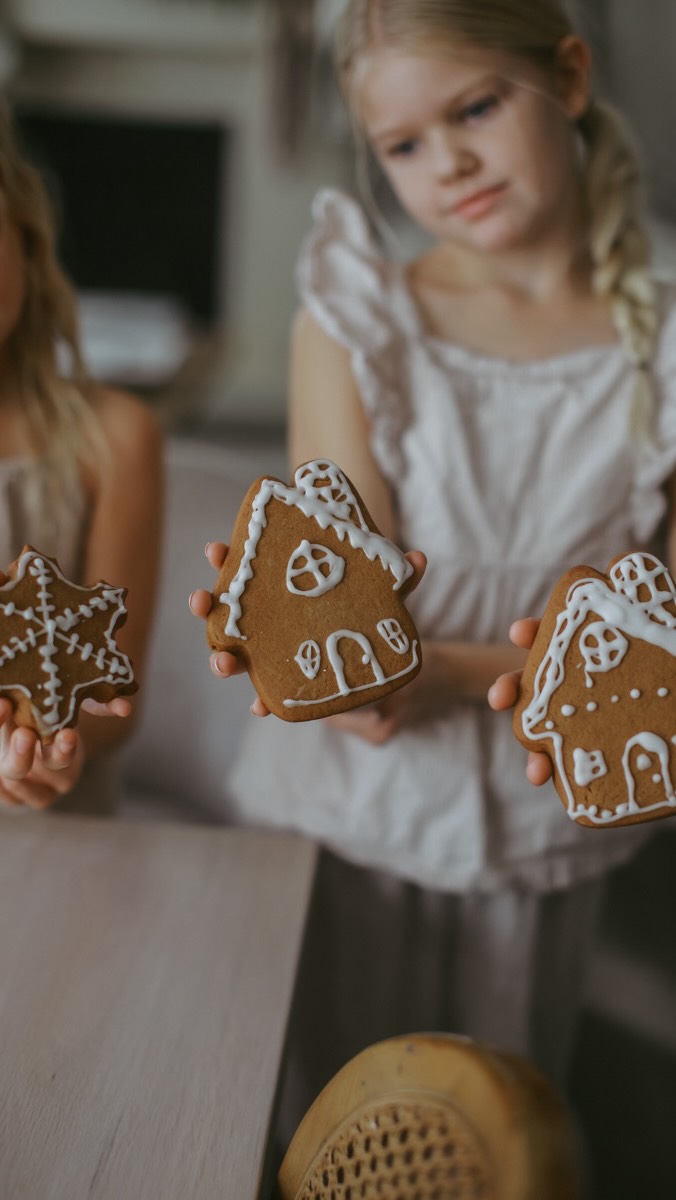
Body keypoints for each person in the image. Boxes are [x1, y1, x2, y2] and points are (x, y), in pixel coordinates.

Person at [190, 0, 676, 1125]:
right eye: (402, 144)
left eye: (474, 107)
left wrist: (455, 677)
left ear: (562, 76)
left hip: (547, 807)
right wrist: (313, 655)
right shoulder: (358, 323)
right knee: (344, 1118)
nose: (446, 159)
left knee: (501, 1119)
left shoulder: (658, 347)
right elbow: (345, 593)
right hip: (353, 811)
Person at [0, 100, 163, 813]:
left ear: (27, 244)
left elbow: (112, 691)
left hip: (62, 839)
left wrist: (55, 751)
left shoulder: (117, 437)